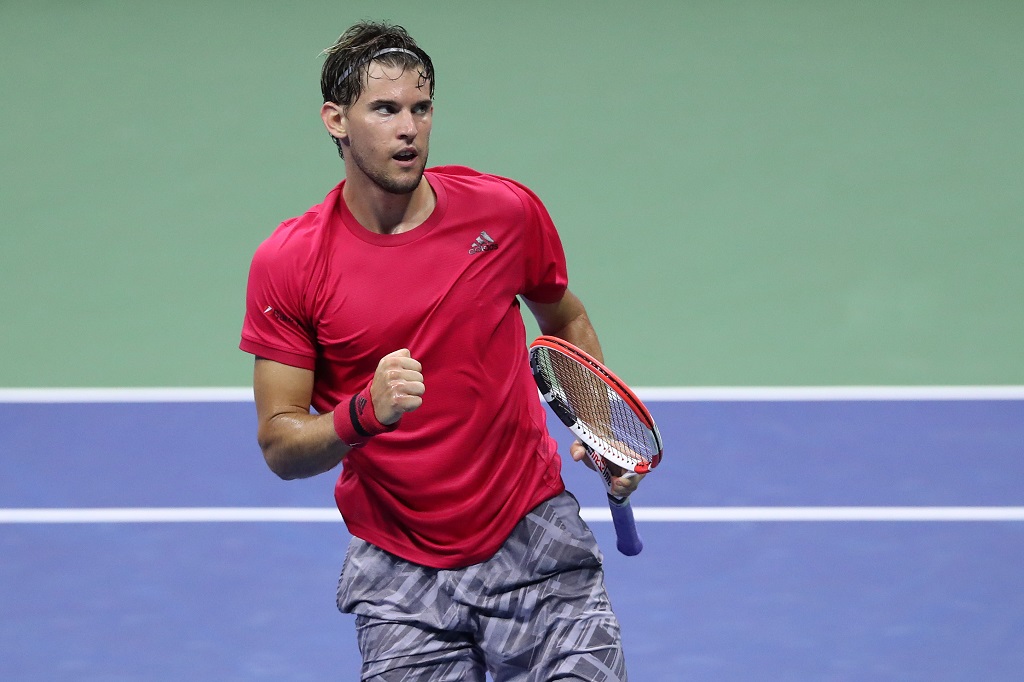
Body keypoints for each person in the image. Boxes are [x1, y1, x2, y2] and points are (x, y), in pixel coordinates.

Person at [239, 21, 643, 681]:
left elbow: (564, 318)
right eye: (386, 109)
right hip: (401, 570)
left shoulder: (504, 213)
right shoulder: (290, 262)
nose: (409, 128)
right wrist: (362, 412)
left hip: (531, 533)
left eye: (421, 109)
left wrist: (596, 424)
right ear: (336, 120)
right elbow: (281, 446)